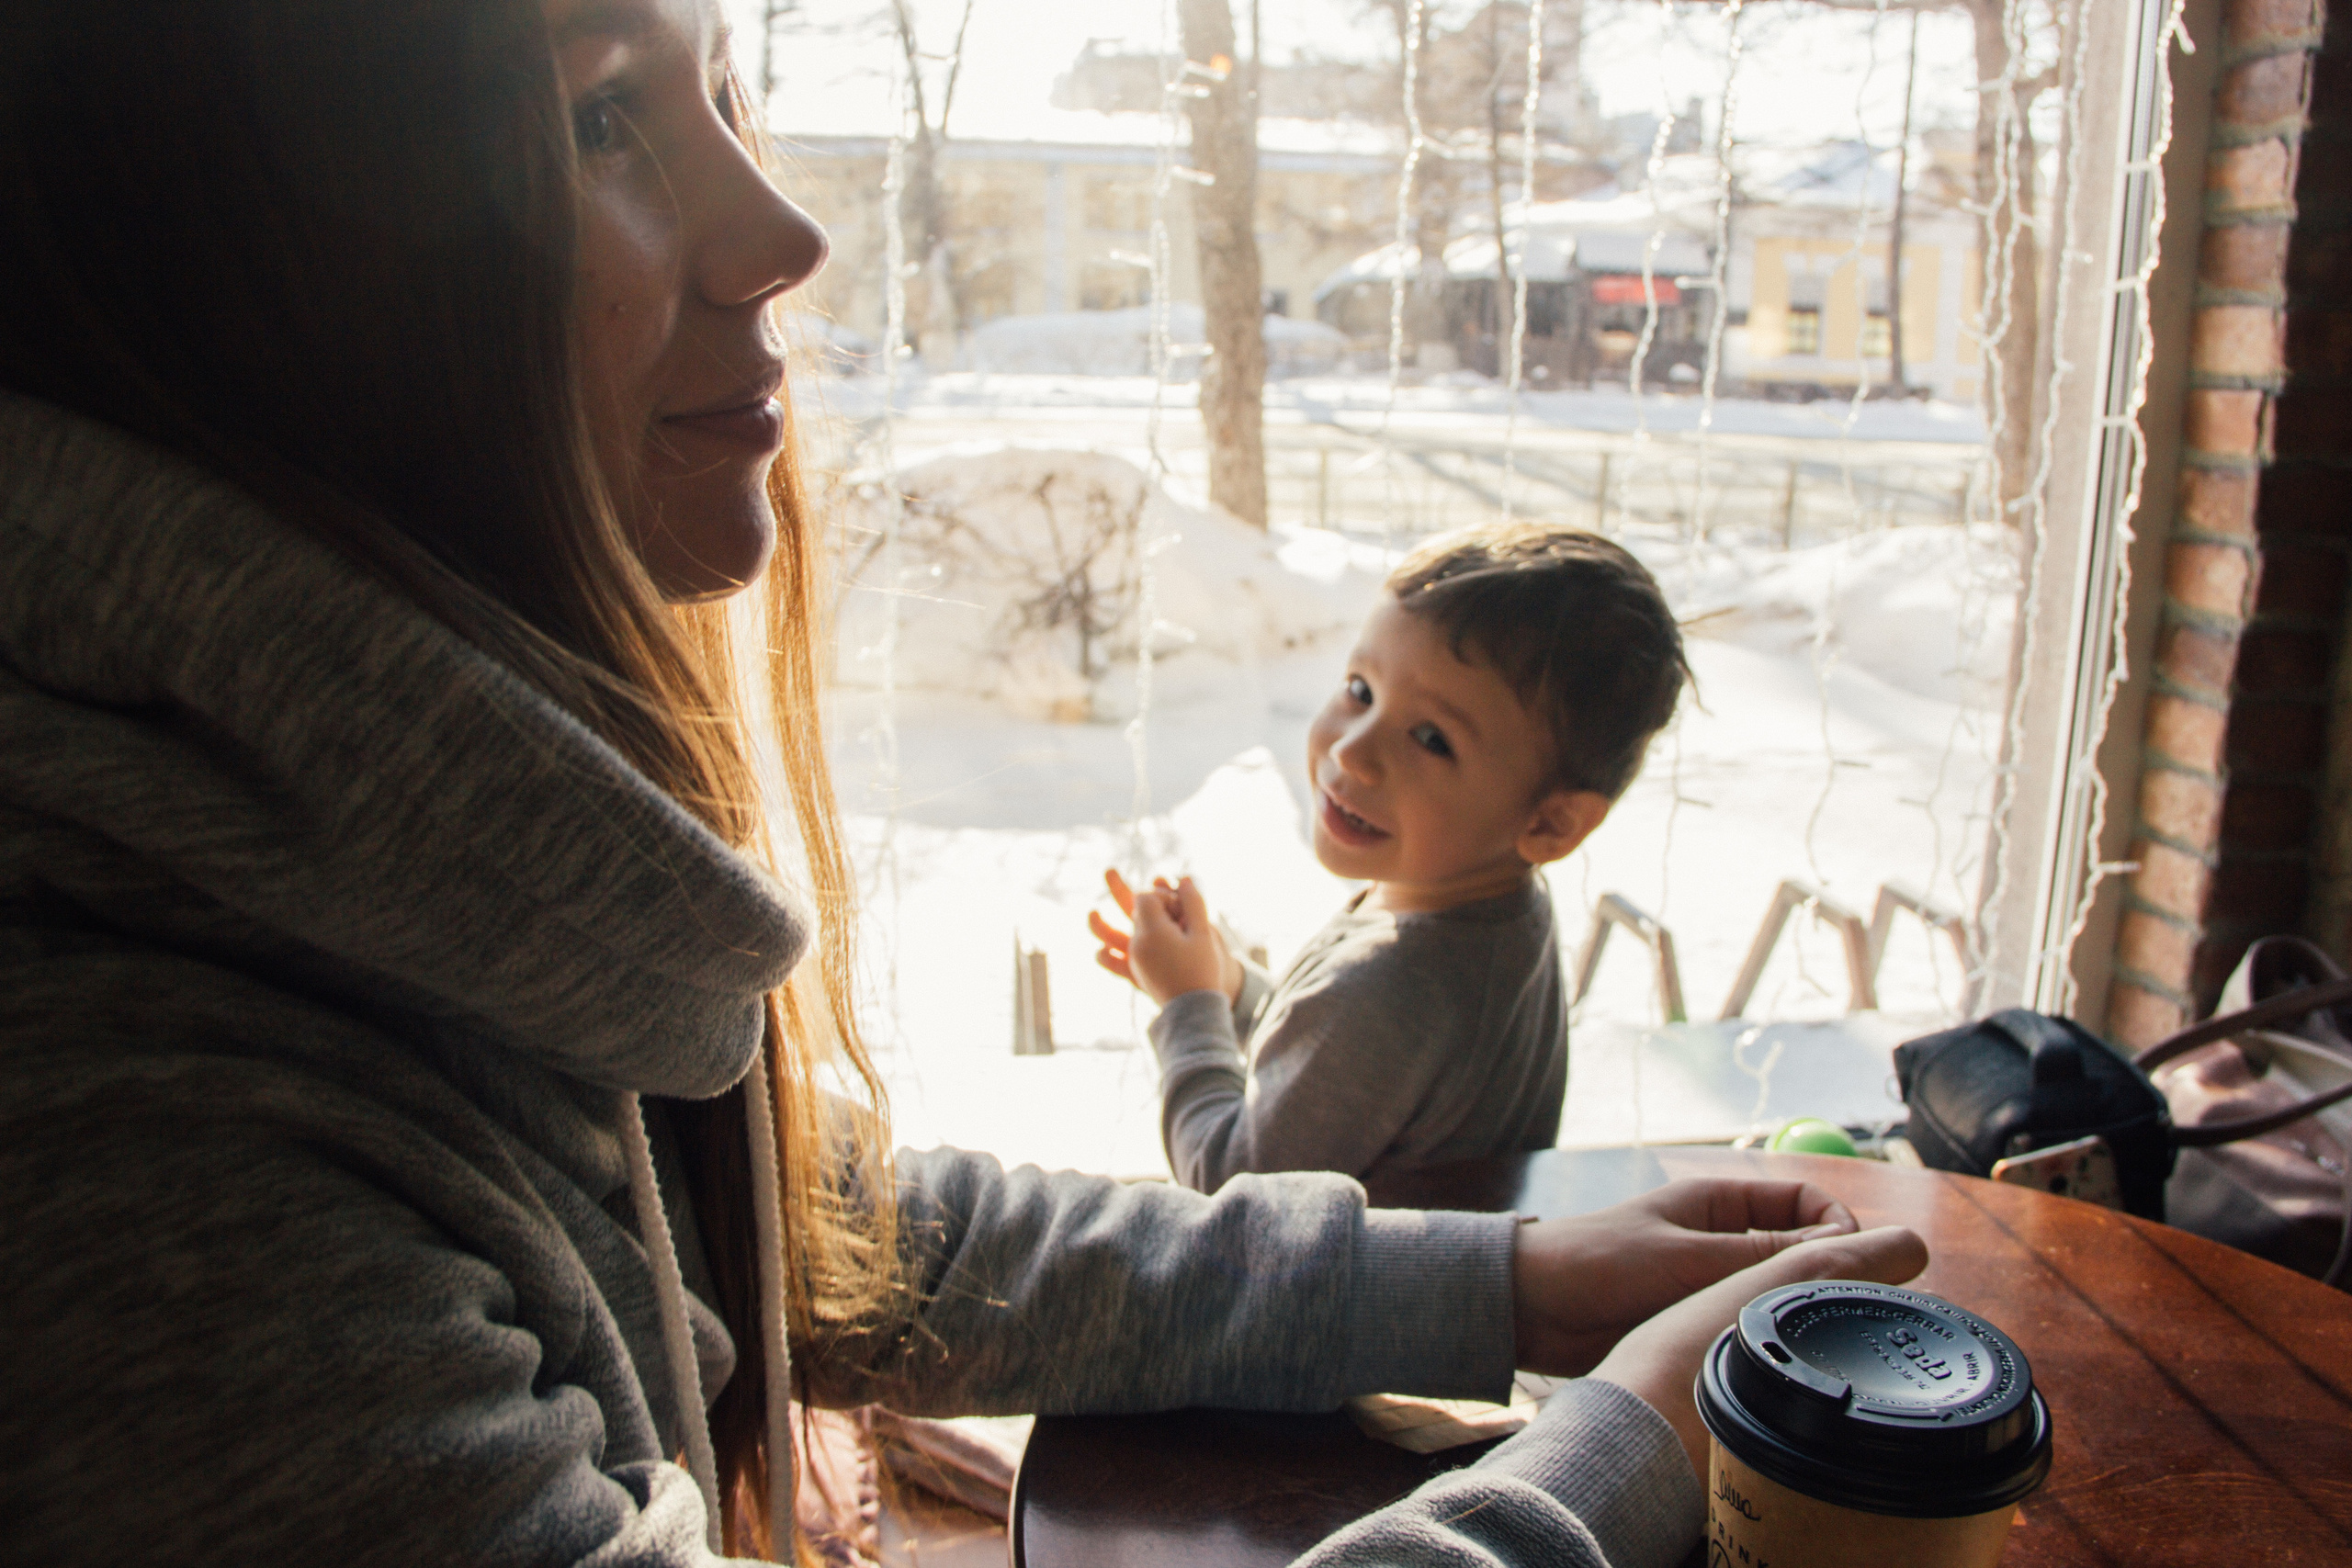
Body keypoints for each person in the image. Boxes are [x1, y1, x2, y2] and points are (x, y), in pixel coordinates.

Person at [0, 2, 1925, 1564]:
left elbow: (835, 1225)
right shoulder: (156, 1176)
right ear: (273, 268)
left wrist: (1503, 1277)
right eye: (600, 119)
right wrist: (1610, 1465)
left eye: (724, 89)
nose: (779, 234)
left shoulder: (391, 860)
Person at [1091, 525, 1685, 1191]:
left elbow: (1235, 1192)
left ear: (1549, 822)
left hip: (1338, 1295)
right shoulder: (1494, 911)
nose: (1351, 751)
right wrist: (1231, 985)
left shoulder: (1398, 986)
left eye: (1432, 738)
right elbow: (1334, 1078)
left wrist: (1188, 1004)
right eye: (1360, 689)